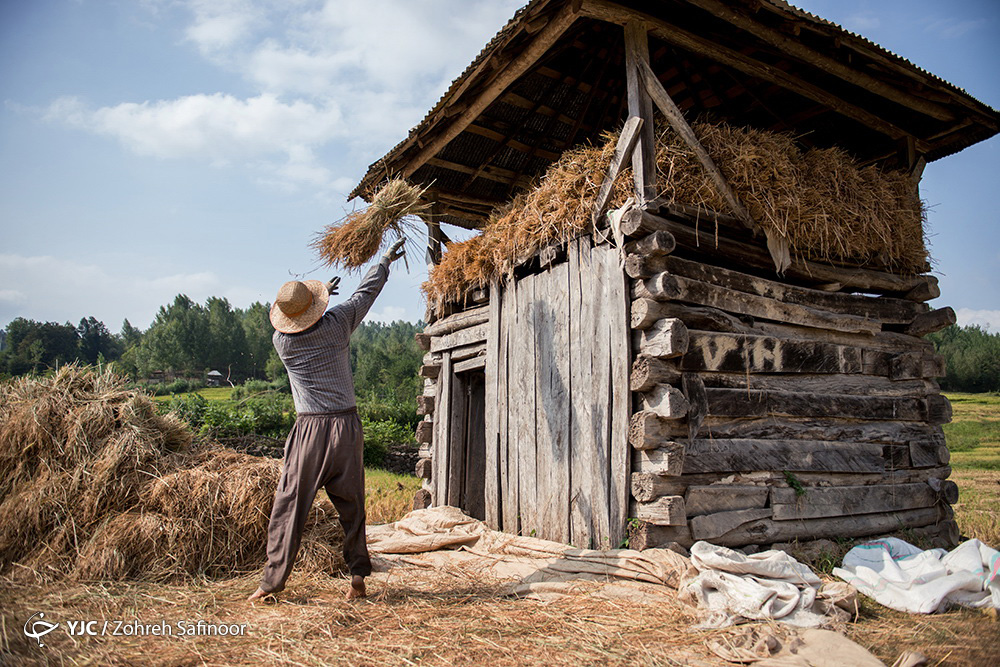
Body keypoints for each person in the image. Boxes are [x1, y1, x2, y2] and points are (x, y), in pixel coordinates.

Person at [248, 238, 405, 602]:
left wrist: (320, 302)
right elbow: (366, 293)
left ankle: (271, 584)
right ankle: (357, 580)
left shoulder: (282, 343)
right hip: (347, 428)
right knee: (352, 506)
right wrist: (383, 261)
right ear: (319, 308)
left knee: (290, 504)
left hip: (311, 430)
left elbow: (300, 322)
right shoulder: (337, 324)